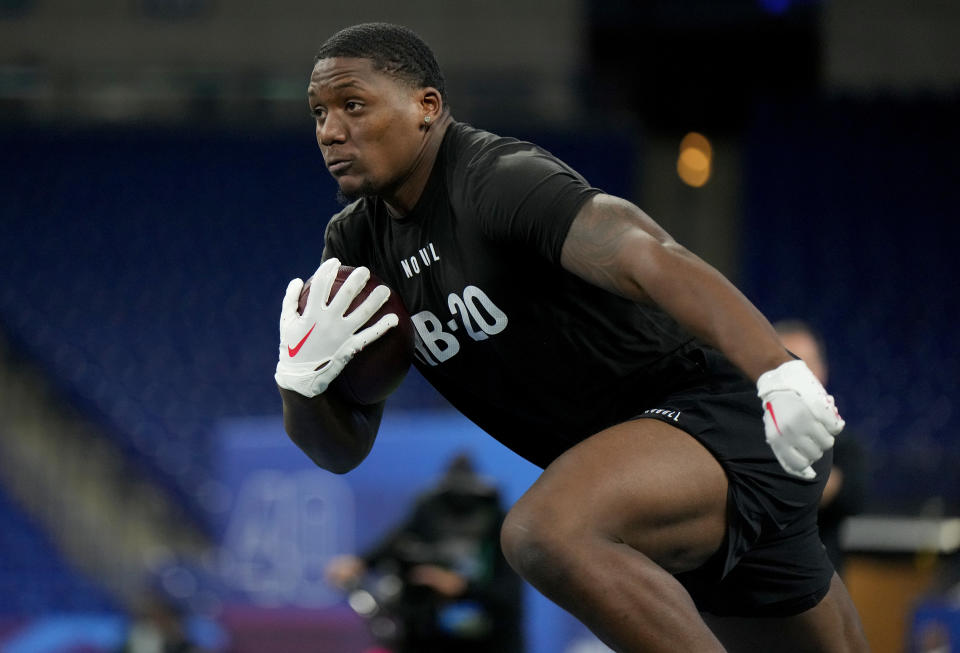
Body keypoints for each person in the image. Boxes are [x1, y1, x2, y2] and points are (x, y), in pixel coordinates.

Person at [274, 22, 869, 652]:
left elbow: (647, 253)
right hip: (650, 477)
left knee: (545, 531)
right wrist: (301, 384)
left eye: (353, 105)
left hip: (722, 419)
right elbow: (342, 450)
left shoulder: (492, 178)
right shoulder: (354, 248)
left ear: (427, 107)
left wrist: (775, 368)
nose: (330, 130)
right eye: (318, 113)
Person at [324, 453, 524, 653]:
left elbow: (507, 596)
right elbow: (397, 541)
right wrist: (360, 563)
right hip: (428, 635)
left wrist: (459, 586)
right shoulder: (428, 513)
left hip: (489, 639)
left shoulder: (499, 527)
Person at [774, 319, 868, 577]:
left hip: (816, 594)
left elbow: (850, 493)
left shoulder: (843, 443)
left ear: (822, 371)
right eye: (785, 366)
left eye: (805, 366)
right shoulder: (739, 432)